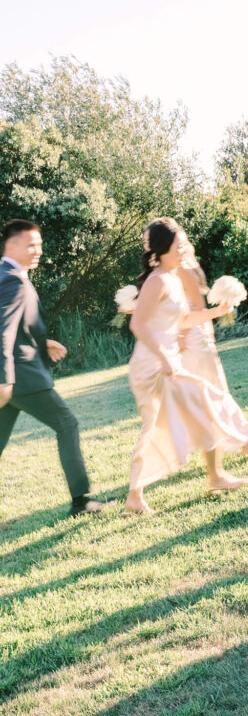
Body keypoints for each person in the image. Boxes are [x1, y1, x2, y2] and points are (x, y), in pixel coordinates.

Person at [125, 218, 248, 514]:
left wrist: (217, 311)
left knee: (194, 403)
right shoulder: (158, 279)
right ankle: (240, 437)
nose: (183, 249)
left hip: (166, 364)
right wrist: (164, 357)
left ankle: (231, 449)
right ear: (162, 250)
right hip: (152, 367)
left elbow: (182, 321)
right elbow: (138, 323)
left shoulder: (173, 278)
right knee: (166, 419)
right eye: (177, 246)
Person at [0, 219, 113, 517]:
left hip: (16, 376)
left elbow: (15, 324)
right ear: (11, 245)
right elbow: (2, 329)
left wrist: (41, 342)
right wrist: (4, 378)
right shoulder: (12, 279)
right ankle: (82, 502)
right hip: (21, 378)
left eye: (40, 244)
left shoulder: (7, 275)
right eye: (31, 245)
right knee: (68, 424)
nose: (38, 250)